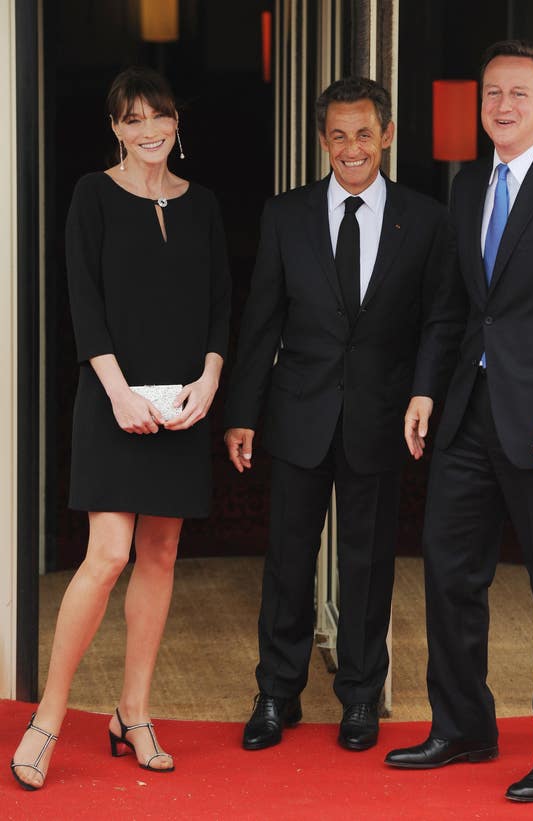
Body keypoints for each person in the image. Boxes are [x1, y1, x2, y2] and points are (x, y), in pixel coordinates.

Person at [385, 41, 533, 803]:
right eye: (493, 92)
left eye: (519, 93)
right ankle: (464, 726)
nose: (503, 105)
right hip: (469, 414)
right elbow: (455, 307)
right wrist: (427, 390)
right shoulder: (467, 188)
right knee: (450, 572)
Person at [224, 77, 462, 752]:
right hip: (299, 413)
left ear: (386, 135)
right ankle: (276, 692)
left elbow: (441, 318)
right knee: (287, 560)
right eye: (338, 134)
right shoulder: (285, 215)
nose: (351, 148)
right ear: (321, 140)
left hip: (381, 417)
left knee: (367, 562)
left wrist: (423, 392)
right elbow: (262, 320)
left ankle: (360, 696)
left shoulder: (426, 220)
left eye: (364, 133)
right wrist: (243, 411)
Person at [10, 66, 230, 790]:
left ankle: (132, 711)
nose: (148, 130)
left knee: (160, 556)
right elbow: (85, 302)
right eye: (133, 119)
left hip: (184, 402)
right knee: (107, 554)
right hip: (113, 399)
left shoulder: (202, 206)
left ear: (177, 123)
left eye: (158, 117)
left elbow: (220, 304)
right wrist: (118, 392)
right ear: (115, 127)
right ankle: (48, 716)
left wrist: (210, 379)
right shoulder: (92, 196)